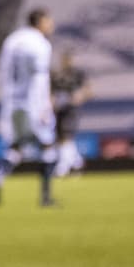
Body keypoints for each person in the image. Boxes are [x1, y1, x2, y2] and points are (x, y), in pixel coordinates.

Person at [0, 8, 57, 207]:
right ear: (40, 22)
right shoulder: (40, 44)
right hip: (33, 102)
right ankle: (46, 197)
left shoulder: (12, 40)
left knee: (16, 145)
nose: (51, 25)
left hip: (12, 101)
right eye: (49, 21)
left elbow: (3, 71)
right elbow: (39, 77)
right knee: (47, 146)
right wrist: (46, 105)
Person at [51, 49, 89, 178]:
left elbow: (87, 90)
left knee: (66, 135)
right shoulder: (57, 74)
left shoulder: (78, 73)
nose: (66, 62)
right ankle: (77, 163)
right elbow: (51, 91)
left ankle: (63, 167)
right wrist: (51, 103)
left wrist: (80, 96)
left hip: (71, 108)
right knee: (60, 137)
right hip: (59, 108)